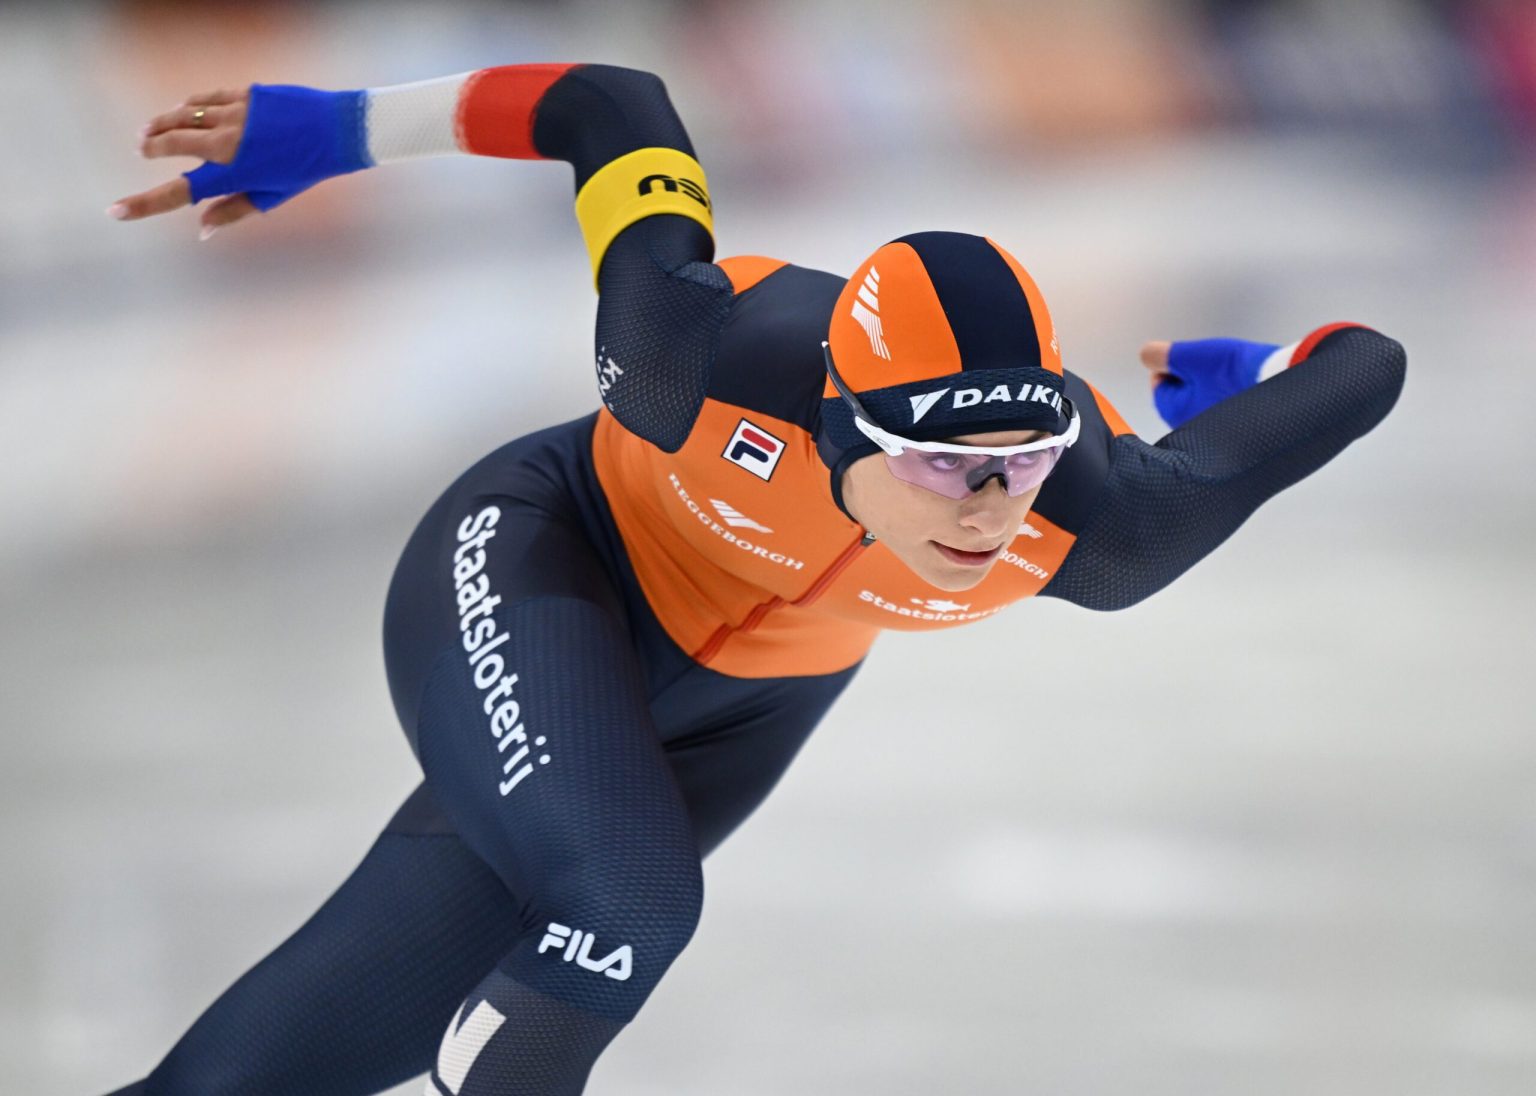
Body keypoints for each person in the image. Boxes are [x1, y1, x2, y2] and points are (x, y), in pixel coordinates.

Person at [101, 64, 1406, 1096]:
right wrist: (341, 127)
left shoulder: (1108, 526)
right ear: (840, 423)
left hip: (746, 704)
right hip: (545, 562)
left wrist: (1270, 365)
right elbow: (608, 105)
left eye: (1026, 459)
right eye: (945, 469)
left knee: (242, 1081)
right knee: (628, 902)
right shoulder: (691, 355)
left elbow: (1369, 363)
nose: (993, 512)